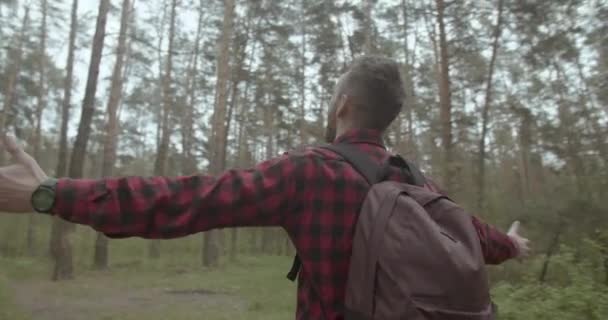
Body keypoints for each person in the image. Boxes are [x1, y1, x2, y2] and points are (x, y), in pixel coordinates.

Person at [0, 55, 530, 320]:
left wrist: (50, 192)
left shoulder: (311, 171)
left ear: (343, 103)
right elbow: (484, 240)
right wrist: (514, 242)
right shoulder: (422, 184)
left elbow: (180, 201)